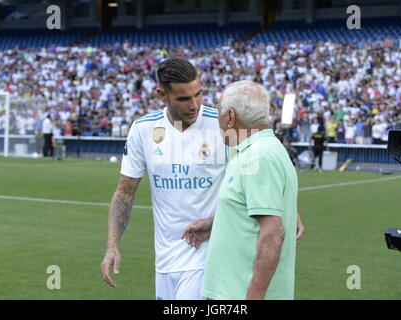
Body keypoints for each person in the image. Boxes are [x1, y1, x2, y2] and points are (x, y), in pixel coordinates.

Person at [100, 58, 305, 300]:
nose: (194, 104)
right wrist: (112, 245)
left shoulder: (223, 124)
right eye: (184, 98)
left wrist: (288, 210)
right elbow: (125, 191)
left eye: (198, 94)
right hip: (165, 259)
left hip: (207, 257)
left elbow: (260, 171)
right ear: (162, 95)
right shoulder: (143, 129)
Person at [197, 80, 298, 300]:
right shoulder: (253, 151)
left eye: (219, 114)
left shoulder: (259, 157)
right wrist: (214, 224)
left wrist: (254, 296)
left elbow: (273, 234)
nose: (218, 122)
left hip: (239, 295)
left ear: (231, 117)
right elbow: (250, 213)